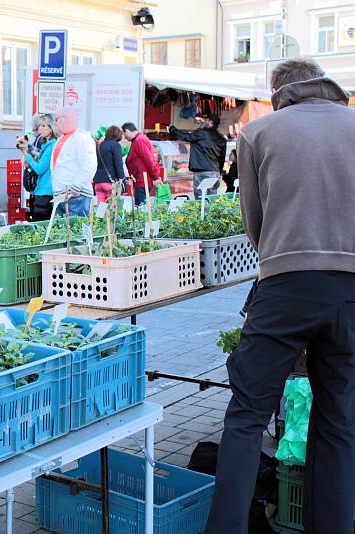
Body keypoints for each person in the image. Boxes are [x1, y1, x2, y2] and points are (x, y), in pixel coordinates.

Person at [204, 58, 355, 534]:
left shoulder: (258, 132)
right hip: (352, 287)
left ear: (278, 92)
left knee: (247, 415)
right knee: (338, 420)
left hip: (285, 283)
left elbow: (255, 221)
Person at [50, 106, 96, 216]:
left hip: (77, 195)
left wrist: (78, 185)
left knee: (76, 230)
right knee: (63, 230)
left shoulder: (82, 137)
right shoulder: (61, 139)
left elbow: (89, 163)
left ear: (65, 119)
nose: (55, 124)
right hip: (62, 194)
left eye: (56, 120)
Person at [169, 114, 227, 198]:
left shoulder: (201, 133)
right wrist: (219, 172)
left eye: (206, 120)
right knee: (212, 198)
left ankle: (201, 211)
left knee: (200, 198)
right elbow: (222, 158)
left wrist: (172, 129)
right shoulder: (221, 139)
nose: (205, 122)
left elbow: (185, 137)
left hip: (201, 171)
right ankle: (210, 211)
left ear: (210, 122)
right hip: (214, 172)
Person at [19, 113, 58, 221]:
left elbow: (40, 169)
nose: (40, 128)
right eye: (40, 125)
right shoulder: (47, 145)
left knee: (40, 226)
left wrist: (26, 154)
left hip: (46, 192)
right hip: (43, 191)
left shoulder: (51, 146)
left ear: (51, 128)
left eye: (44, 125)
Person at [122, 122, 160, 206]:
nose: (124, 137)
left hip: (143, 181)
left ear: (127, 131)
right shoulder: (138, 140)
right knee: (140, 206)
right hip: (140, 180)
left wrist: (155, 176)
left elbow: (149, 159)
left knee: (140, 207)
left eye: (124, 134)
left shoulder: (140, 140)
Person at [93, 125, 126, 204]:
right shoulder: (116, 146)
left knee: (101, 208)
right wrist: (123, 185)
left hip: (98, 182)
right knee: (111, 209)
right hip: (110, 183)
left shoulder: (98, 146)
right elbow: (119, 165)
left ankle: (100, 216)